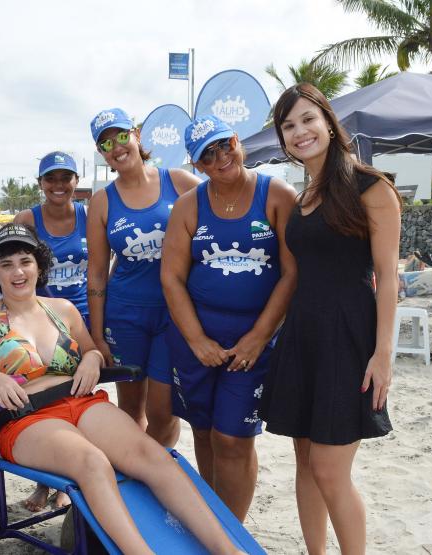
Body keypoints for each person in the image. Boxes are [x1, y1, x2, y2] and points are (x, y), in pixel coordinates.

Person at [0, 224, 247, 555]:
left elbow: (92, 349)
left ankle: (228, 550)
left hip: (81, 402)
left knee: (152, 454)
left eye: (25, 261)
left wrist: (92, 358)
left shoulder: (61, 308)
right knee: (92, 462)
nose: (18, 271)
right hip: (26, 417)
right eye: (6, 264)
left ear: (39, 265)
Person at [258, 83, 401, 554]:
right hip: (304, 337)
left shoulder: (371, 187)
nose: (300, 132)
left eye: (307, 119)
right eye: (288, 126)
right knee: (303, 461)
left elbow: (386, 277)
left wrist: (383, 355)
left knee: (330, 470)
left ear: (328, 121)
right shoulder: (303, 198)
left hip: (348, 336)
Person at [161, 116, 297, 521]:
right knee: (203, 431)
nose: (220, 158)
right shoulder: (189, 205)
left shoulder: (277, 195)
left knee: (233, 438)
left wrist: (259, 335)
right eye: (207, 154)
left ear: (237, 142)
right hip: (195, 340)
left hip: (252, 340)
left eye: (224, 146)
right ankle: (215, 518)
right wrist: (197, 340)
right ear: (197, 165)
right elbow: (171, 277)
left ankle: (231, 534)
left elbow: (292, 273)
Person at [86, 108, 201, 447]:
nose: (117, 147)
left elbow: (226, 202)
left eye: (121, 136)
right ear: (102, 153)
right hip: (125, 315)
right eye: (106, 143)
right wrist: (97, 335)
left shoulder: (178, 181)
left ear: (136, 135)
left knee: (165, 410)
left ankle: (158, 467)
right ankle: (136, 479)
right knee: (131, 408)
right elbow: (96, 271)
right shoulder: (102, 201)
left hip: (174, 312)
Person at [13, 151, 87, 511]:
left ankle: (64, 483)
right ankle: (44, 485)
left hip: (80, 317)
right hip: (40, 321)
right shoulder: (28, 218)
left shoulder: (90, 216)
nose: (58, 185)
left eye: (65, 178)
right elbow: (8, 263)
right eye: (51, 179)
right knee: (41, 402)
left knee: (75, 400)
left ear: (76, 180)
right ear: (40, 183)